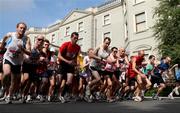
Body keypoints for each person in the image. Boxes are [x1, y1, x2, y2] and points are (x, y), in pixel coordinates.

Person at [0, 22, 31, 104]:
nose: (22, 29)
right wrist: (2, 45)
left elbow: (29, 52)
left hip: (17, 62)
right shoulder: (11, 35)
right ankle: (3, 87)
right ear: (17, 28)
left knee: (14, 82)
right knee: (6, 73)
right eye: (21, 28)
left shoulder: (26, 39)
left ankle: (9, 96)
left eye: (24, 28)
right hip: (8, 58)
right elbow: (4, 38)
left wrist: (23, 49)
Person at [57, 32, 81, 103]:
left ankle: (62, 95)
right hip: (62, 64)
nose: (76, 40)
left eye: (77, 38)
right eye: (74, 38)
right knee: (59, 82)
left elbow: (76, 57)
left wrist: (77, 64)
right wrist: (67, 61)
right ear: (71, 38)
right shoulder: (65, 44)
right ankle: (56, 93)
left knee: (69, 81)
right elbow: (59, 55)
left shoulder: (78, 47)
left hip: (70, 66)